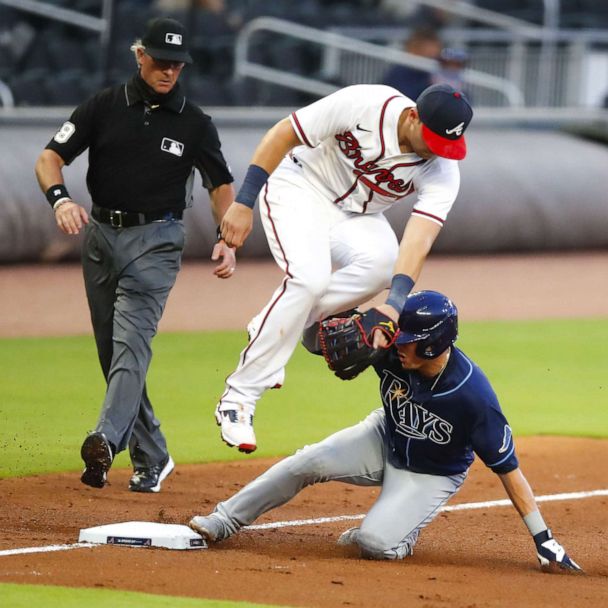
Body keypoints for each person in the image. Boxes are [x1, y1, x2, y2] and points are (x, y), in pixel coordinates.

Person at [189, 291, 582, 571]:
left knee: (374, 545)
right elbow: (314, 339)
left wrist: (543, 539)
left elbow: (509, 470)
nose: (399, 347)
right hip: (383, 435)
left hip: (431, 474)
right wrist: (339, 309)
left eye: (410, 342)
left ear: (435, 345)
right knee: (307, 461)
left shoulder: (473, 397)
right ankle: (224, 520)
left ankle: (399, 536)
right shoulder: (388, 348)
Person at [215, 82, 473, 453]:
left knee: (385, 264)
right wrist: (243, 202)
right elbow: (284, 133)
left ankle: (278, 325)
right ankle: (238, 399)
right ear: (413, 116)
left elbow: (418, 239)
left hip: (356, 215)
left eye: (447, 144)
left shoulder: (443, 170)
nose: (438, 150)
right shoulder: (366, 104)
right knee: (309, 279)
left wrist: (393, 304)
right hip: (299, 187)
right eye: (433, 138)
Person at [34, 17, 235, 492]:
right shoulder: (103, 106)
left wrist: (227, 236)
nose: (169, 72)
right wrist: (60, 199)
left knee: (131, 345)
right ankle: (153, 455)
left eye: (177, 64)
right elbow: (49, 158)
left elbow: (220, 184)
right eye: (161, 61)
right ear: (139, 55)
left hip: (158, 240)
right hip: (101, 236)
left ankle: (104, 440)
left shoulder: (195, 122)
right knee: (113, 353)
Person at [382, 27, 442, 101]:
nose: (433, 55)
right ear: (414, 48)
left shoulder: (438, 70)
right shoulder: (399, 73)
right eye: (428, 52)